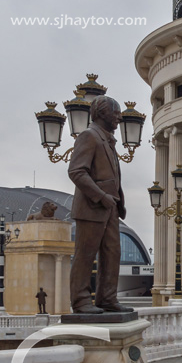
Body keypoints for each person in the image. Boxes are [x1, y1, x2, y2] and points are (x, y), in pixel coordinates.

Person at [68, 95, 133, 314]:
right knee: (85, 254)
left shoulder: (107, 140)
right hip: (92, 207)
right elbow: (77, 171)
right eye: (116, 113)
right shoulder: (89, 136)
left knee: (112, 253)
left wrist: (118, 201)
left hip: (110, 208)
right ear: (102, 113)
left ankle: (107, 298)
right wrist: (100, 196)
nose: (120, 118)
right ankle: (80, 301)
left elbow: (113, 176)